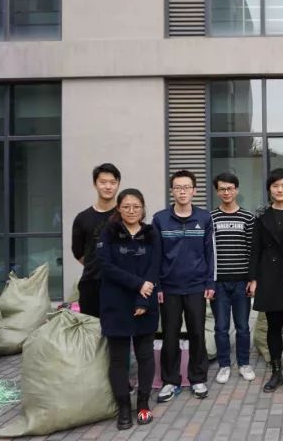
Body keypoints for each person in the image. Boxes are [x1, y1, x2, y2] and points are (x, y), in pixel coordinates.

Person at [97, 188, 160, 430]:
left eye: (136, 206)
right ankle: (123, 407)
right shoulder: (109, 233)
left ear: (143, 208)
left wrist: (143, 299)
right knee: (118, 359)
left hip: (146, 301)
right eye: (126, 206)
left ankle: (143, 404)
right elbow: (105, 266)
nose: (131, 211)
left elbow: (155, 266)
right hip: (116, 304)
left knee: (145, 355)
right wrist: (138, 284)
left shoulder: (151, 232)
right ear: (119, 209)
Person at [153, 170, 215, 402]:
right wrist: (158, 287)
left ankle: (197, 378)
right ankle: (170, 381)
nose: (182, 191)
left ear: (194, 190)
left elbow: (210, 253)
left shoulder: (204, 218)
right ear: (172, 191)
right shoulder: (160, 219)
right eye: (178, 187)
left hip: (197, 286)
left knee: (197, 332)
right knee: (170, 335)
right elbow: (155, 256)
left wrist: (210, 282)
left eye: (186, 187)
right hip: (169, 288)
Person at [248, 168, 283, 393]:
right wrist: (253, 278)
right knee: (272, 326)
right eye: (275, 186)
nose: (279, 190)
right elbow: (255, 249)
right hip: (268, 276)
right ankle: (276, 372)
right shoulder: (261, 216)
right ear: (269, 189)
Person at [210, 173, 256, 384]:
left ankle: (244, 364)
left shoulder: (248, 218)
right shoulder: (211, 218)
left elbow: (252, 251)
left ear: (236, 190)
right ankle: (224, 365)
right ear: (217, 191)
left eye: (230, 188)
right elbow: (208, 252)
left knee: (242, 326)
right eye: (222, 189)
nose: (226, 192)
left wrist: (253, 279)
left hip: (241, 282)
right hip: (218, 283)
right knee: (220, 327)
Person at [72, 163, 121, 317]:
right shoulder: (82, 218)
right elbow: (78, 253)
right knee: (91, 329)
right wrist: (97, 265)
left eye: (112, 182)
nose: (108, 187)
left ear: (118, 184)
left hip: (120, 284)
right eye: (103, 182)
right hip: (91, 284)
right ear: (95, 184)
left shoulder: (125, 215)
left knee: (118, 330)